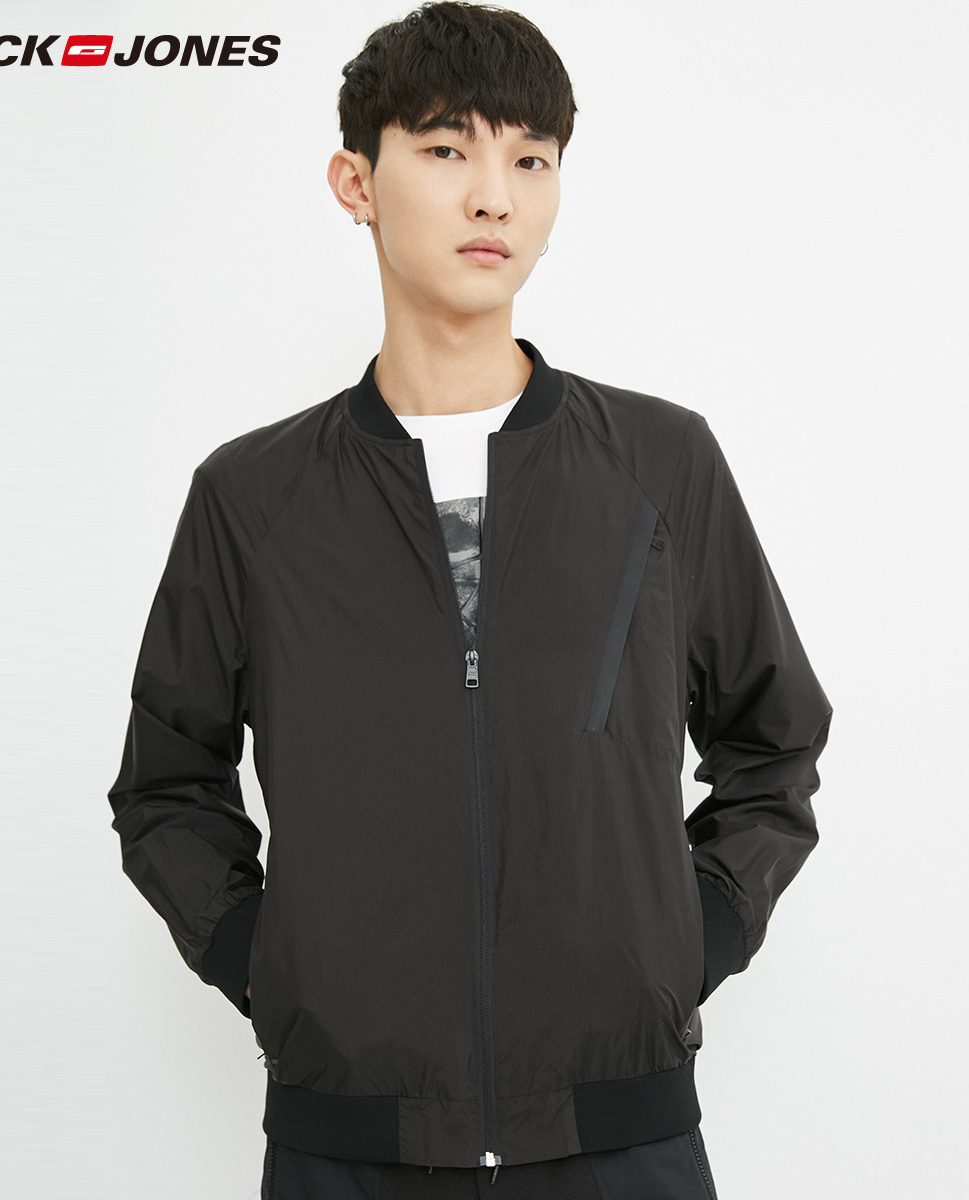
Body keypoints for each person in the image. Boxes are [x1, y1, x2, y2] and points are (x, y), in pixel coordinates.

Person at [106, 3, 833, 1197]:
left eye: (530, 160)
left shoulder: (660, 468)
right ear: (357, 181)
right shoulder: (252, 498)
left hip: (623, 1140)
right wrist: (274, 970)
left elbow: (775, 739)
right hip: (351, 1145)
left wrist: (688, 938)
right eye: (448, 149)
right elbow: (166, 785)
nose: (494, 196)